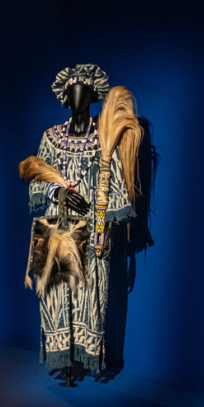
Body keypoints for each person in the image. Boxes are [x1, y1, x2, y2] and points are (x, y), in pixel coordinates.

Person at [26, 64, 136, 373]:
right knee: (57, 297)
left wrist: (104, 230)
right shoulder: (51, 137)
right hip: (56, 228)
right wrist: (58, 193)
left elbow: (112, 187)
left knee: (90, 297)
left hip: (91, 227)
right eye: (72, 92)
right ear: (64, 95)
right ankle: (62, 358)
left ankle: (84, 356)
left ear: (93, 95)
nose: (77, 98)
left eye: (84, 92)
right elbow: (36, 179)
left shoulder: (104, 140)